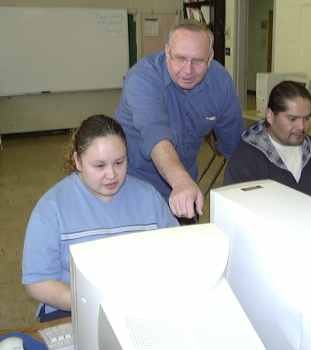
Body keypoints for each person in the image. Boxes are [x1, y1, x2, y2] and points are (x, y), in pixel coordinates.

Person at [22, 115, 178, 322]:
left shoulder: (148, 197)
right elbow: (37, 281)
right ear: (78, 161)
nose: (111, 174)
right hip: (72, 308)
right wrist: (91, 301)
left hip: (140, 305)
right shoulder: (52, 208)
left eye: (119, 162)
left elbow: (176, 253)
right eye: (99, 165)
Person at [116, 20, 243, 220]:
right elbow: (157, 138)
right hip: (134, 186)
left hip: (183, 189)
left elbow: (233, 143)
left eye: (198, 61)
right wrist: (181, 182)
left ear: (210, 58)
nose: (188, 70)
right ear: (167, 52)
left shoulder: (221, 83)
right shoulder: (142, 78)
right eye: (180, 58)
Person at [224, 81, 311, 211]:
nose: (301, 127)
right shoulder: (245, 160)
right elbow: (239, 214)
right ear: (270, 116)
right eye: (292, 119)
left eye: (306, 118)